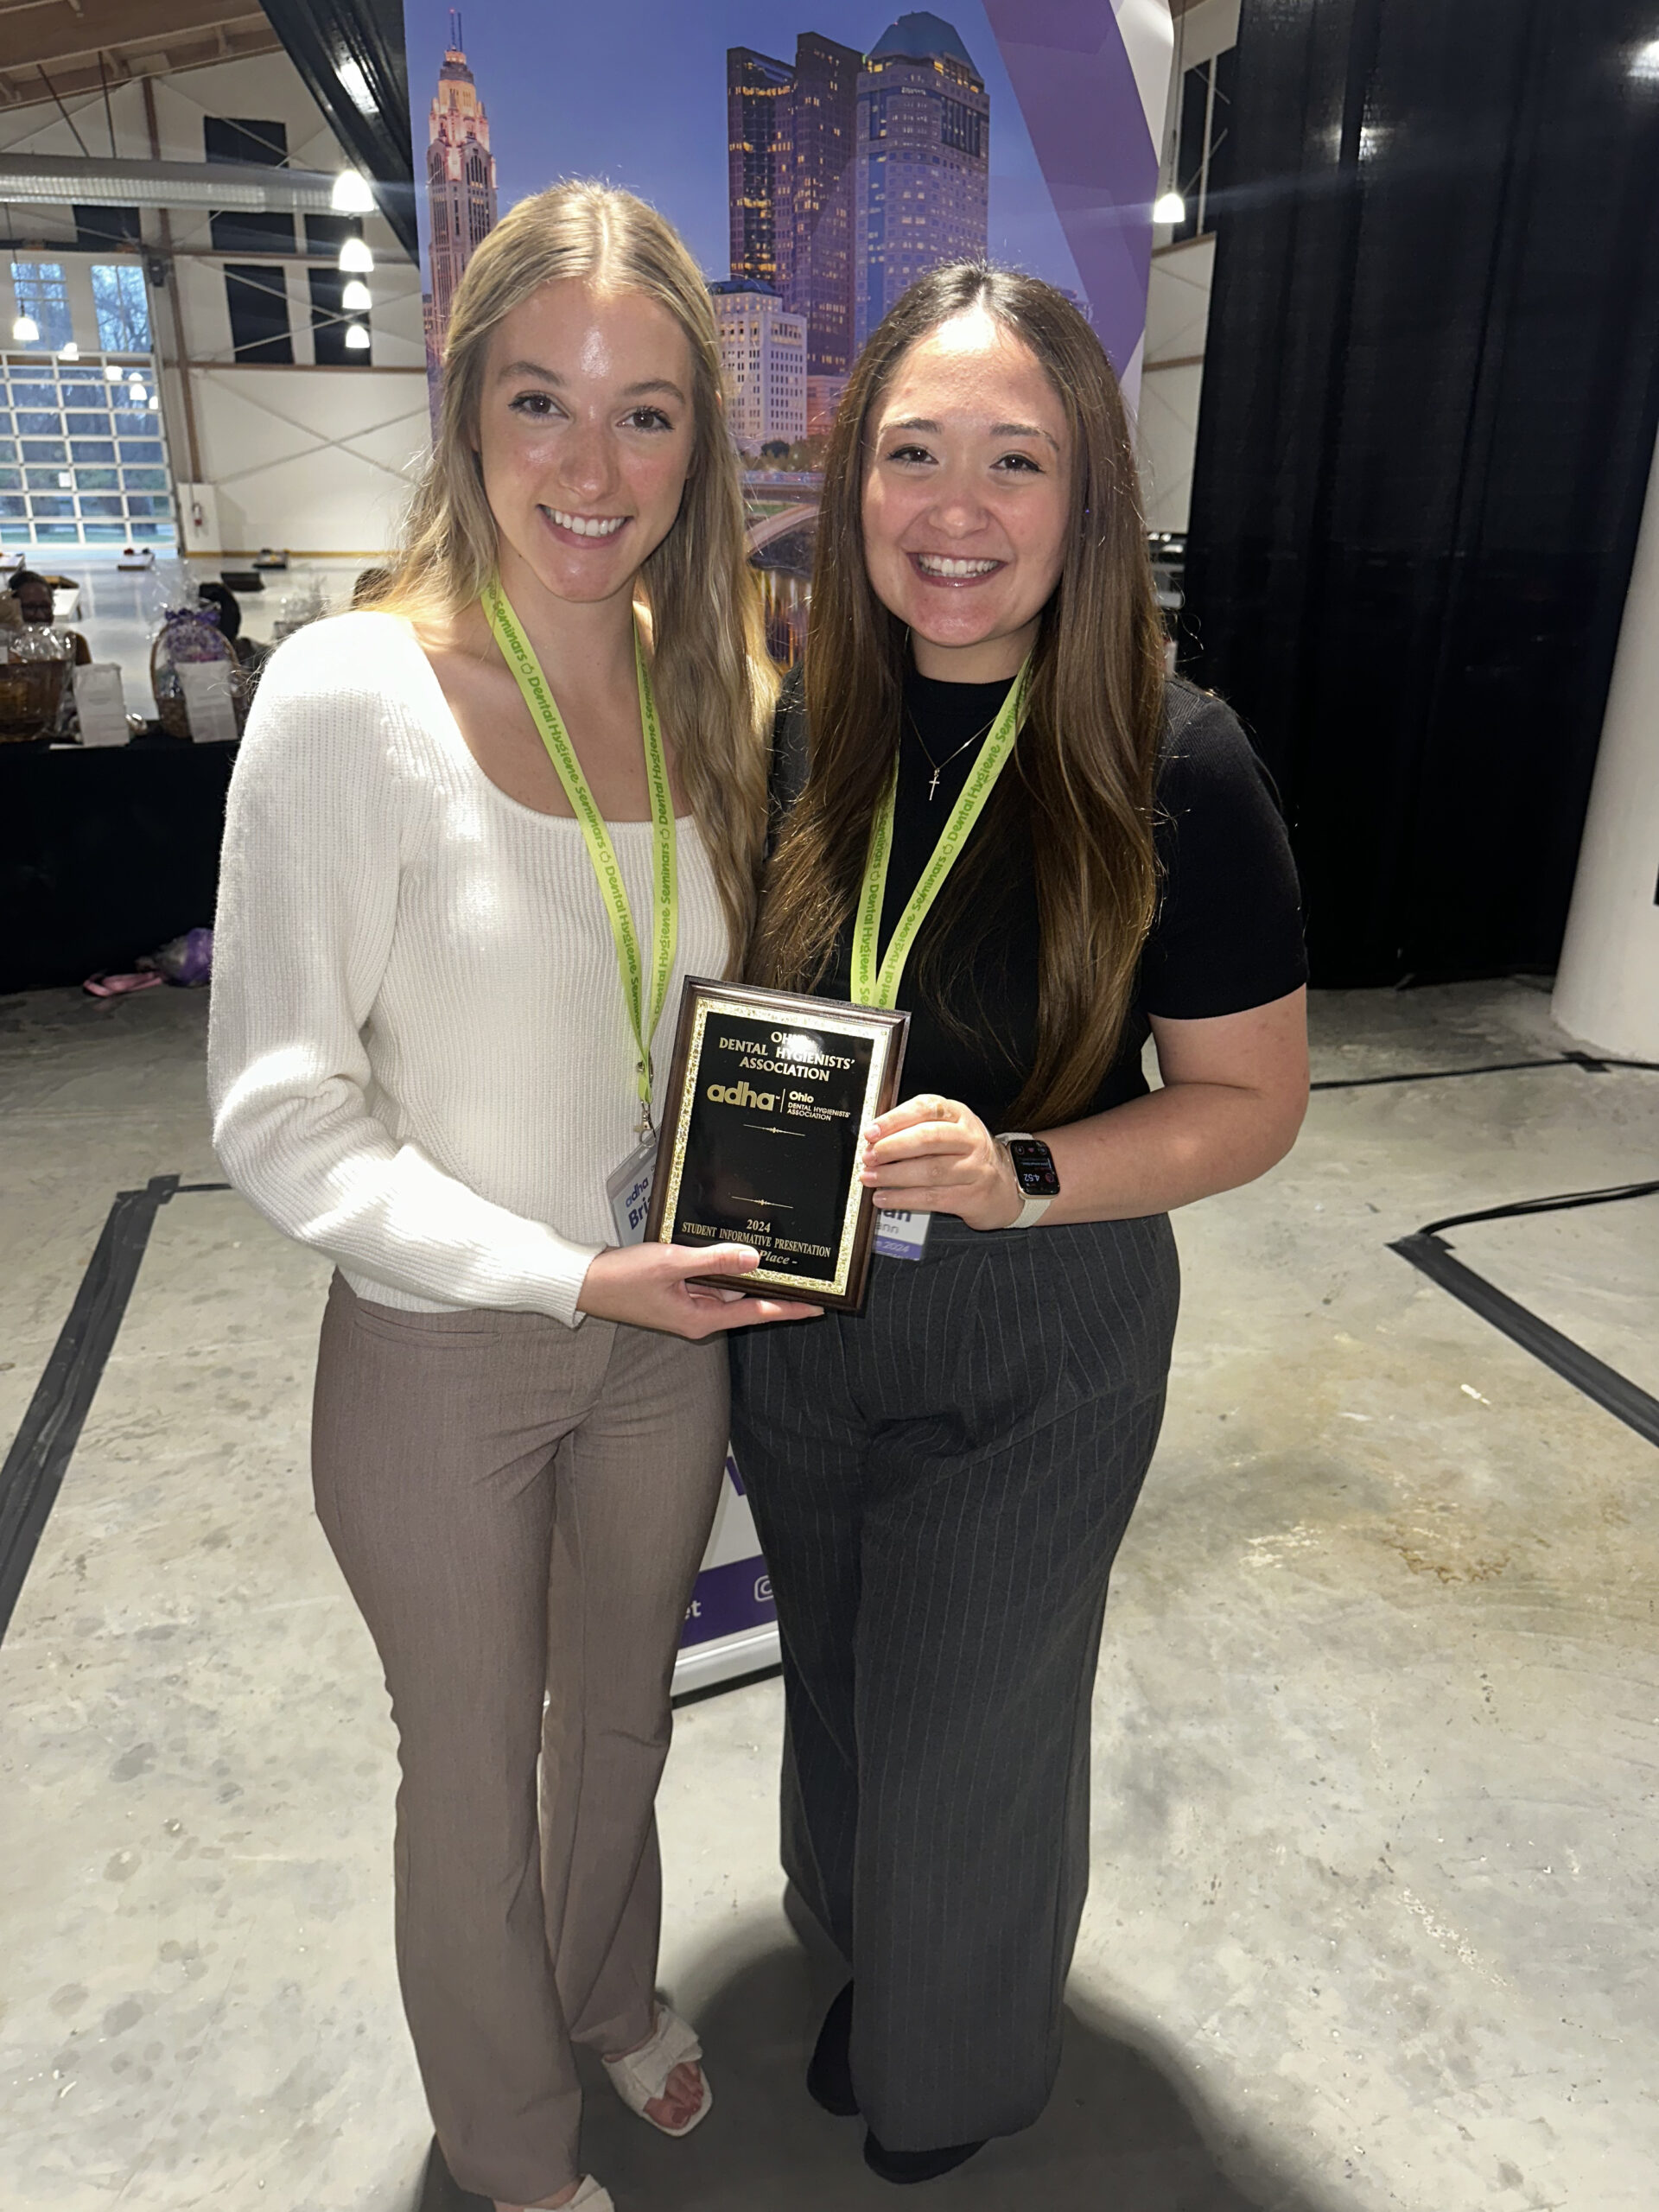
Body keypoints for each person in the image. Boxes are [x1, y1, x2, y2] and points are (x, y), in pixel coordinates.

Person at [207, 181, 816, 2212]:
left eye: (648, 414)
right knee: (467, 1778)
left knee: (622, 1722)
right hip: (447, 1352)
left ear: (699, 447)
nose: (591, 463)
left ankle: (601, 1984)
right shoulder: (346, 696)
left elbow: (704, 1007)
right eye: (543, 400)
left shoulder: (712, 672)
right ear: (466, 408)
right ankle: (504, 2131)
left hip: (666, 1335)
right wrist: (572, 1271)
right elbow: (281, 1109)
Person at [734, 264, 1310, 2184]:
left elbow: (1251, 1101)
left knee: (975, 1717)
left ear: (1083, 493)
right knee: (836, 1672)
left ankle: (951, 2069)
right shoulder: (793, 730)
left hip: (1041, 1317)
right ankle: (871, 1944)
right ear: (851, 477)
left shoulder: (1178, 756)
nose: (957, 505)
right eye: (913, 452)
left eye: (1015, 456)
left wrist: (1027, 1167)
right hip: (798, 1303)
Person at [6, 568, 91, 663]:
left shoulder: (73, 644)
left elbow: (87, 676)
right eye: (30, 607)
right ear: (10, 608)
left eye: (45, 607)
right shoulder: (5, 650)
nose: (40, 615)